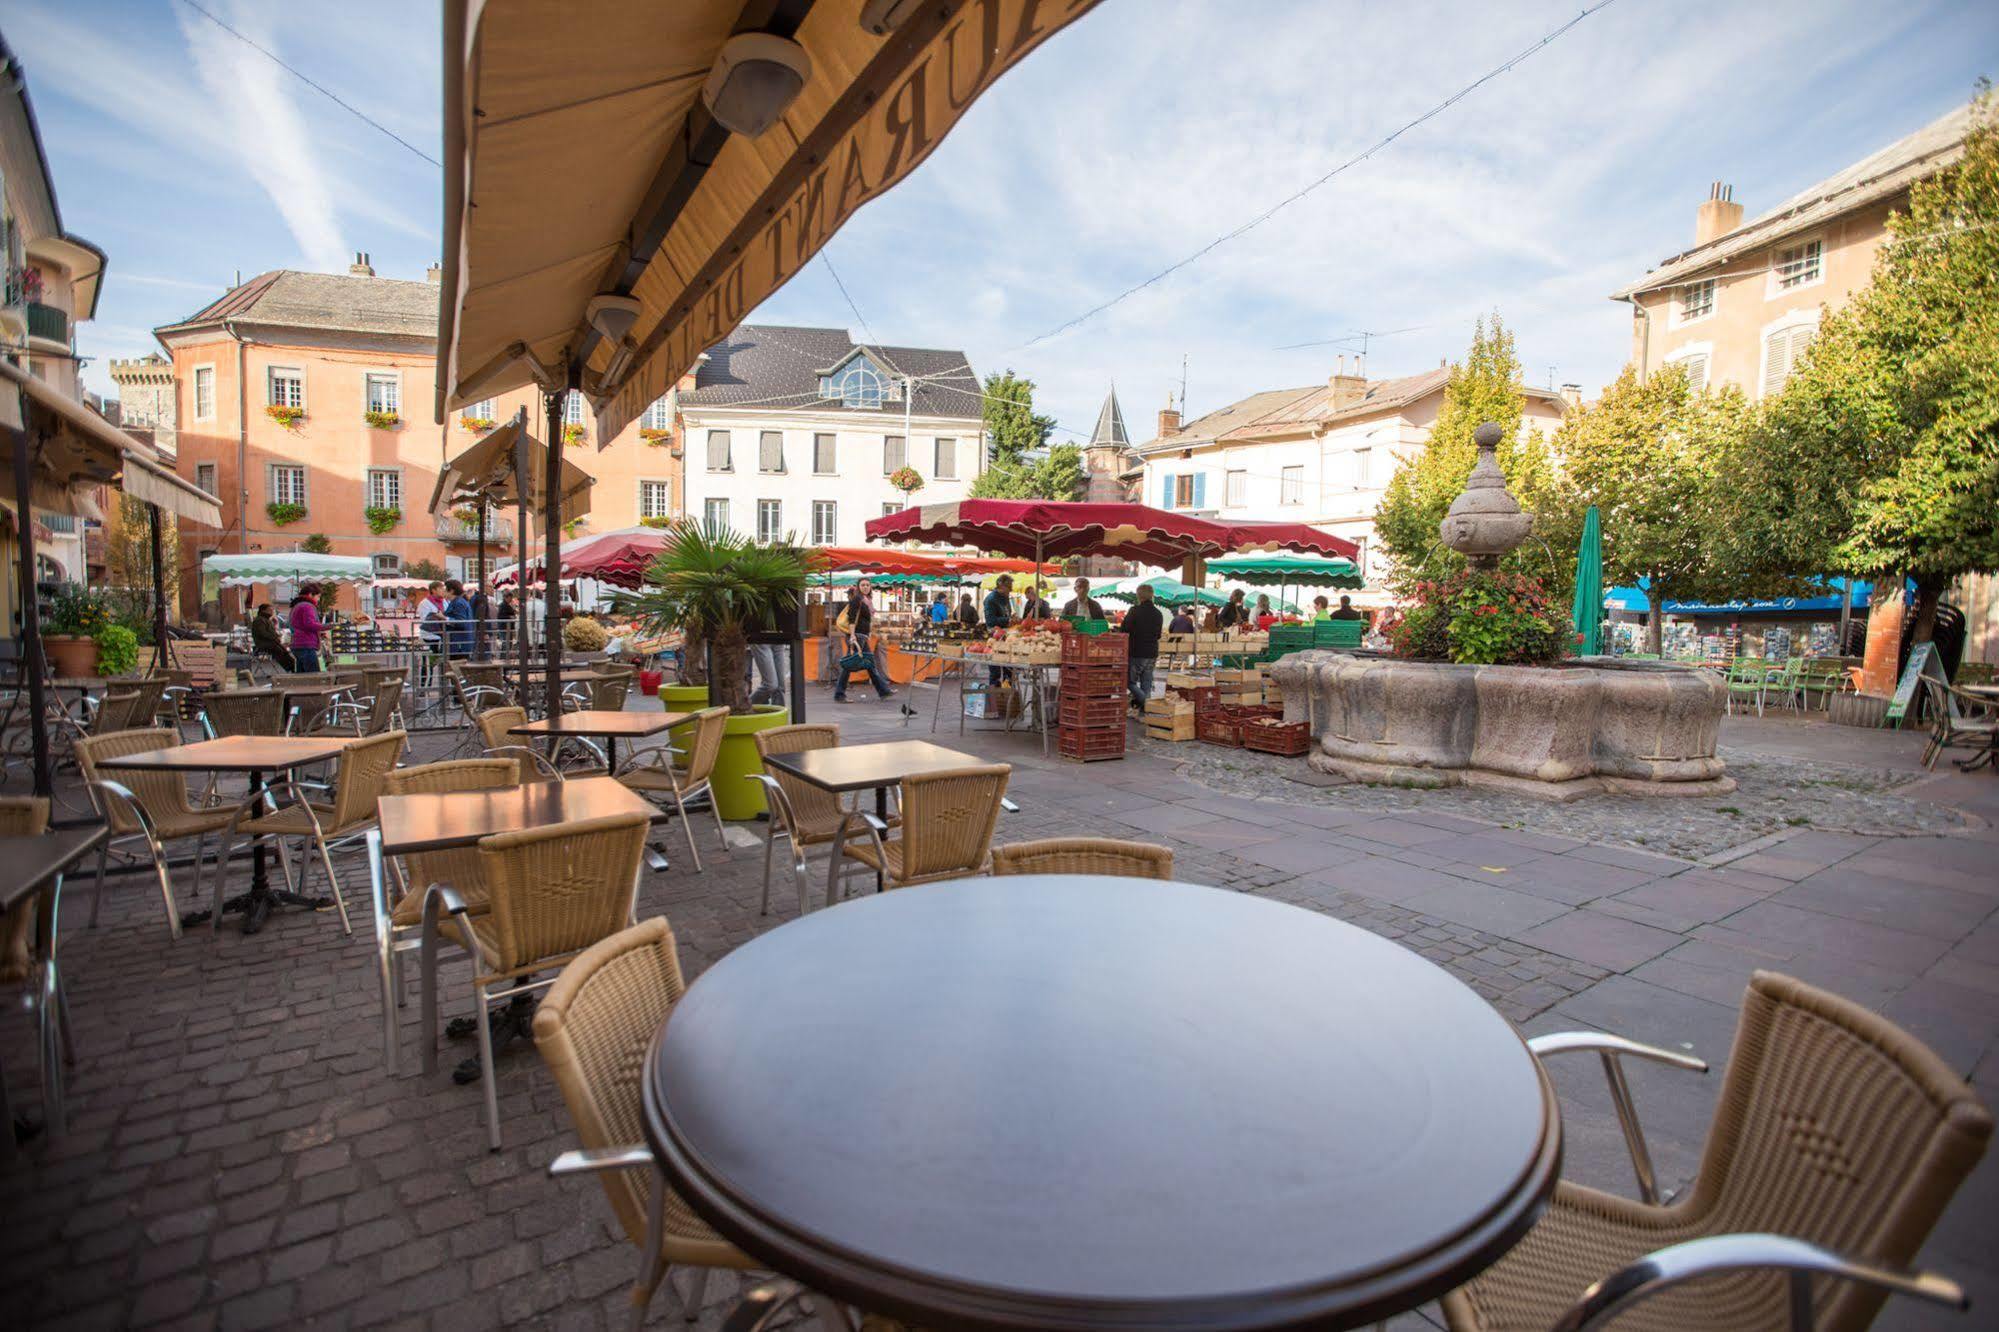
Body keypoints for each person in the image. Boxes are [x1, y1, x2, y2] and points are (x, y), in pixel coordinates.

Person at [833, 579, 897, 704]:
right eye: (863, 585)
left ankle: (883, 691)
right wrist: (852, 635)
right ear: (858, 587)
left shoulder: (866, 600)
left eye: (867, 585)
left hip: (862, 636)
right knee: (849, 664)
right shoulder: (857, 599)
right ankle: (839, 694)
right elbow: (852, 618)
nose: (866, 587)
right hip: (856, 635)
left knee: (870, 663)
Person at [1119, 583, 1163, 711]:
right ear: (1151, 596)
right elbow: (1158, 635)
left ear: (1139, 596)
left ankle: (1148, 705)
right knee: (1146, 684)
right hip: (1152, 652)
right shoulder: (1158, 613)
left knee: (1129, 682)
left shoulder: (1134, 611)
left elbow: (1124, 630)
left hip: (1137, 652)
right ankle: (1145, 712)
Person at [982, 575, 1015, 685]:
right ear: (1001, 585)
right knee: (995, 670)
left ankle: (1008, 694)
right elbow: (990, 620)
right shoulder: (990, 599)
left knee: (1008, 669)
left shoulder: (1005, 597)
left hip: (1006, 637)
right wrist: (1007, 620)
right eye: (1009, 586)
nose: (1011, 589)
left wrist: (1011, 618)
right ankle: (994, 696)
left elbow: (1006, 613)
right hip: (994, 637)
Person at [288, 584, 324, 673]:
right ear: (310, 594)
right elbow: (310, 624)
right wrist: (327, 626)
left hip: (297, 644)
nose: (318, 600)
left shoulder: (296, 605)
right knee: (314, 677)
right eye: (318, 596)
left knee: (302, 677)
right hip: (306, 644)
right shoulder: (307, 606)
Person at [250, 602, 295, 671]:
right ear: (263, 610)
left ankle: (293, 666)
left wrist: (276, 634)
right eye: (269, 610)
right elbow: (263, 633)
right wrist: (275, 637)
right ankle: (290, 667)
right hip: (263, 643)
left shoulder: (266, 619)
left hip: (270, 642)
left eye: (272, 610)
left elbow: (270, 632)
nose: (271, 612)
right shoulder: (259, 620)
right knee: (278, 650)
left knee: (284, 650)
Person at [443, 579, 476, 658]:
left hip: (459, 644)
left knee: (457, 666)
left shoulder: (458, 603)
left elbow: (461, 622)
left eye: (445, 590)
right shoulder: (459, 601)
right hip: (459, 643)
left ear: (451, 591)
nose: (444, 592)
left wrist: (444, 618)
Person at [417, 581, 445, 649]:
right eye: (440, 588)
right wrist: (438, 616)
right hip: (429, 636)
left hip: (442, 636)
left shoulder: (444, 601)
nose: (443, 590)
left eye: (443, 588)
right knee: (431, 657)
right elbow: (425, 619)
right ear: (433, 590)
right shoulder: (424, 603)